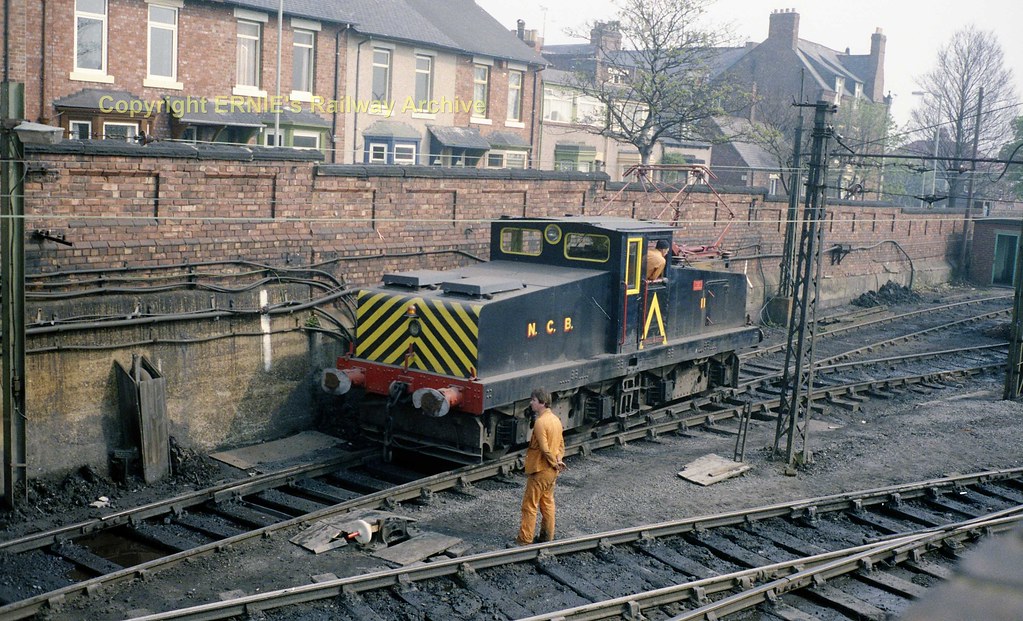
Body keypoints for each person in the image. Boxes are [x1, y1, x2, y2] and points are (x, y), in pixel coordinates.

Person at [517, 388, 566, 545]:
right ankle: (547, 537)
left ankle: (525, 540)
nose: (531, 403)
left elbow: (544, 448)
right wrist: (558, 460)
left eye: (534, 400)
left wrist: (554, 463)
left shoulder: (540, 422)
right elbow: (561, 445)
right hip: (551, 472)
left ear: (542, 403)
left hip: (540, 469)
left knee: (529, 505)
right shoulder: (556, 420)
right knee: (547, 503)